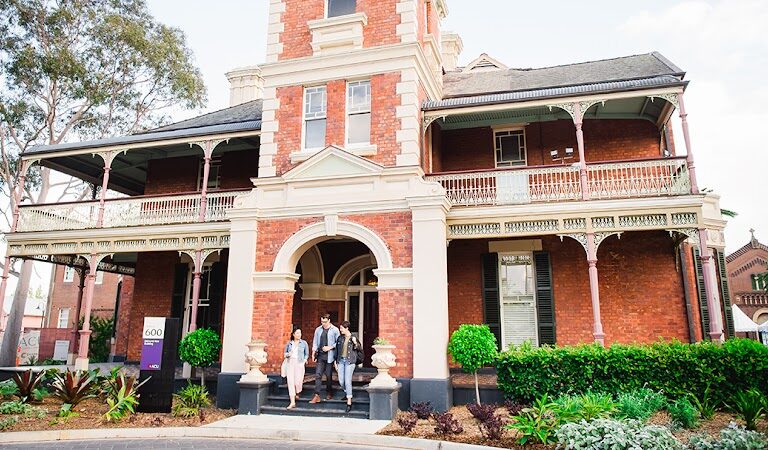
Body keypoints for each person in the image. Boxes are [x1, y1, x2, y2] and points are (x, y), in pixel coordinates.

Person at [309, 313, 339, 403]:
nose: (323, 324)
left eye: (325, 322)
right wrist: (313, 352)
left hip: (329, 356)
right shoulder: (318, 330)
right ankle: (317, 395)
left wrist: (330, 347)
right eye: (322, 322)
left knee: (328, 375)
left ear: (329, 321)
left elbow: (338, 342)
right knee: (318, 375)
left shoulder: (335, 330)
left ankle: (329, 392)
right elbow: (315, 342)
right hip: (320, 355)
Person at [335, 321, 362, 412]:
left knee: (347, 381)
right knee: (341, 381)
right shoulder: (340, 338)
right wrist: (335, 362)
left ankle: (349, 402)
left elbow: (359, 349)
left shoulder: (353, 337)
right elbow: (337, 351)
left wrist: (355, 343)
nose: (340, 330)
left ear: (346, 328)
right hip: (341, 361)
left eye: (342, 328)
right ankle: (347, 393)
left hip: (350, 362)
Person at [283, 328, 309, 409]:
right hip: (290, 362)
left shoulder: (304, 343)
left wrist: (304, 360)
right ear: (293, 334)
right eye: (297, 333)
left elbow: (306, 354)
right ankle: (292, 402)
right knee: (290, 381)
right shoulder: (289, 343)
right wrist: (288, 354)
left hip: (300, 363)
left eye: (300, 333)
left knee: (298, 381)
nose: (299, 335)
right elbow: (285, 354)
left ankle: (298, 392)